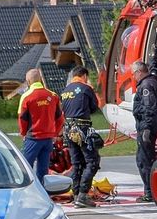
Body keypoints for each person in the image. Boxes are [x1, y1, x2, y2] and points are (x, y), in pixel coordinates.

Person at [60, 65, 102, 208]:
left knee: (76, 163)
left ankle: (76, 195)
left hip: (68, 130)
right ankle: (83, 195)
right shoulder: (85, 88)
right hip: (82, 129)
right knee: (92, 161)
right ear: (84, 76)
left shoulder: (65, 91)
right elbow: (94, 107)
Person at [18, 67, 63, 185]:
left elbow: (22, 118)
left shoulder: (26, 96)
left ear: (28, 81)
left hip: (33, 138)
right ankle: (43, 192)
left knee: (26, 167)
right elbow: (60, 118)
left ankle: (27, 191)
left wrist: (23, 133)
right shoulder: (53, 95)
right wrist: (55, 133)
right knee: (43, 170)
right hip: (48, 139)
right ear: (41, 80)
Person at [131, 60, 157, 203]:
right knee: (145, 158)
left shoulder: (146, 86)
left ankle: (150, 192)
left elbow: (149, 107)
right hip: (150, 125)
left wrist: (145, 129)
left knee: (144, 160)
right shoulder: (152, 80)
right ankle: (151, 190)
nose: (133, 77)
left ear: (139, 72)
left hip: (147, 126)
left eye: (134, 74)